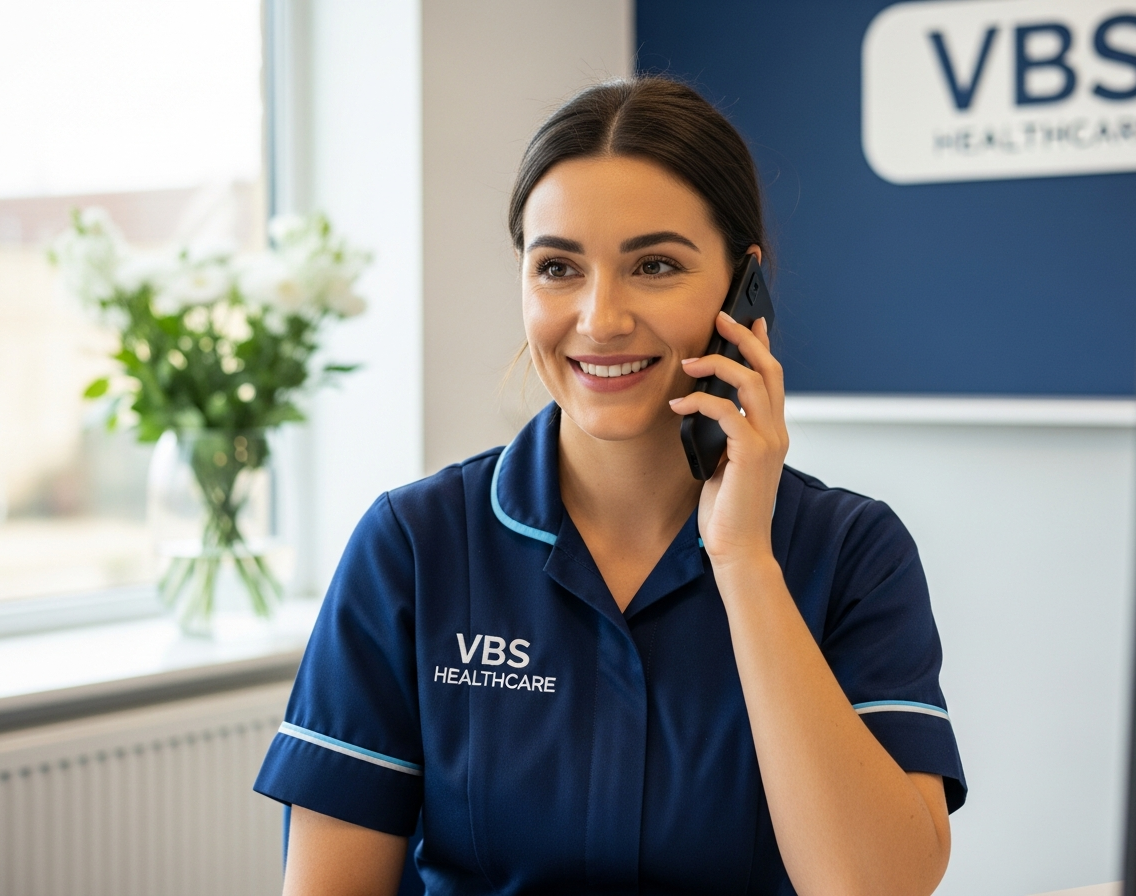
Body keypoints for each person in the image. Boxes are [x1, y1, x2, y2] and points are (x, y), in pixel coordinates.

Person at [255, 76, 966, 896]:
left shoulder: (853, 552)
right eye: (558, 268)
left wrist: (743, 562)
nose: (600, 320)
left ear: (744, 287)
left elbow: (877, 886)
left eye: (655, 265)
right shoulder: (414, 545)